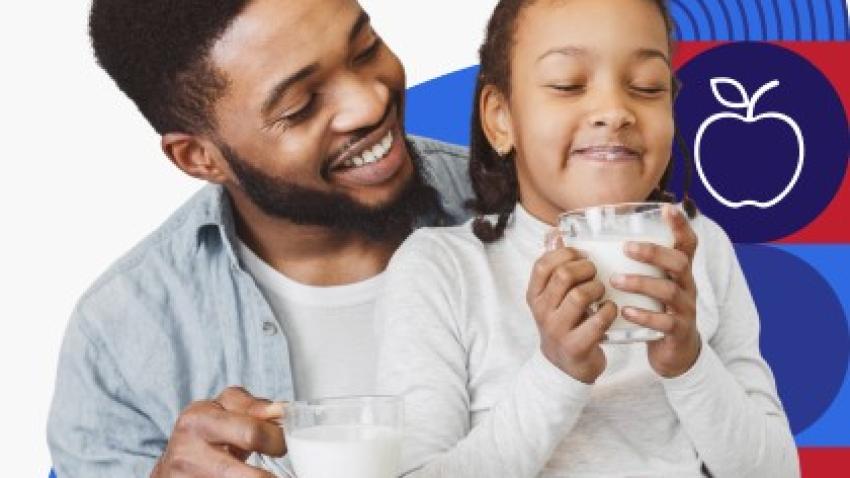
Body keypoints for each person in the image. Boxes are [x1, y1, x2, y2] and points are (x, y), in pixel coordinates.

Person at [47, 0, 473, 476]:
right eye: (300, 107)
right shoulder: (120, 336)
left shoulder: (534, 206)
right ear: (199, 158)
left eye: (365, 49)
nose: (369, 103)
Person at [375, 0, 800, 476]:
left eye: (646, 86)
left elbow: (777, 470)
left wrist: (690, 362)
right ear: (501, 118)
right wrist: (557, 372)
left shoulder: (702, 248)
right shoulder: (441, 269)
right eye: (567, 85)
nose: (615, 111)